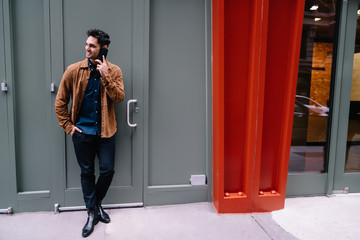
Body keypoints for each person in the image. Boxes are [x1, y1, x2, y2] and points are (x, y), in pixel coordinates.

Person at [55, 29, 125, 237]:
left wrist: (106, 77)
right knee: (86, 173)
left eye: (92, 46)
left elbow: (119, 97)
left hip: (106, 132)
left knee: (107, 171)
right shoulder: (73, 70)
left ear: (103, 49)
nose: (87, 48)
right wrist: (69, 127)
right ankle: (91, 212)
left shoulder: (114, 71)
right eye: (86, 44)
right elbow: (60, 102)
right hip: (82, 133)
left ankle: (97, 204)